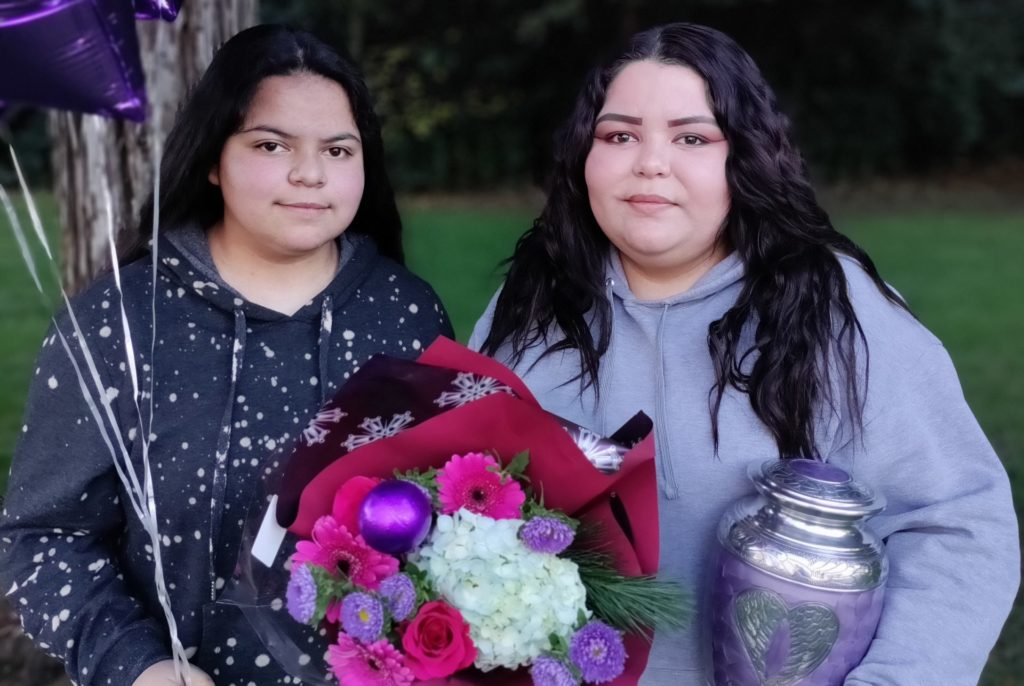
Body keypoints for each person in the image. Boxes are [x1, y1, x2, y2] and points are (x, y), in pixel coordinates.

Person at [470, 22, 1019, 685]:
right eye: (619, 135)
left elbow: (955, 524)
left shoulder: (830, 308)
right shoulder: (526, 306)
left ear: (745, 158)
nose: (650, 162)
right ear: (582, 156)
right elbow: (461, 510)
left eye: (692, 137)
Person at [0, 24, 453, 685]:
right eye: (271, 144)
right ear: (214, 158)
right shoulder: (120, 321)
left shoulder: (405, 311)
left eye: (337, 148)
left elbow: (461, 511)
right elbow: (44, 537)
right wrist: (138, 667)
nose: (309, 173)